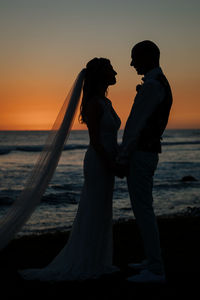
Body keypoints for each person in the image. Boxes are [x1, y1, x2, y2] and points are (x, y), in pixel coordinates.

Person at [19, 58, 121, 281]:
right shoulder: (94, 103)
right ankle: (85, 260)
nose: (115, 72)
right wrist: (111, 164)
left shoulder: (107, 103)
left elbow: (110, 138)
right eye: (110, 69)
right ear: (100, 76)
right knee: (93, 209)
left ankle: (97, 259)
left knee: (102, 209)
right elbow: (96, 141)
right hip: (98, 162)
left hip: (106, 159)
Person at [117, 40, 173, 283]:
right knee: (144, 208)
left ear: (149, 57)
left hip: (141, 153)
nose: (131, 64)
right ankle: (151, 260)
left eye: (134, 58)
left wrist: (123, 156)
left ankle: (156, 269)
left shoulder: (152, 85)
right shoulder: (159, 82)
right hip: (147, 152)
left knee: (143, 210)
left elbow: (134, 127)